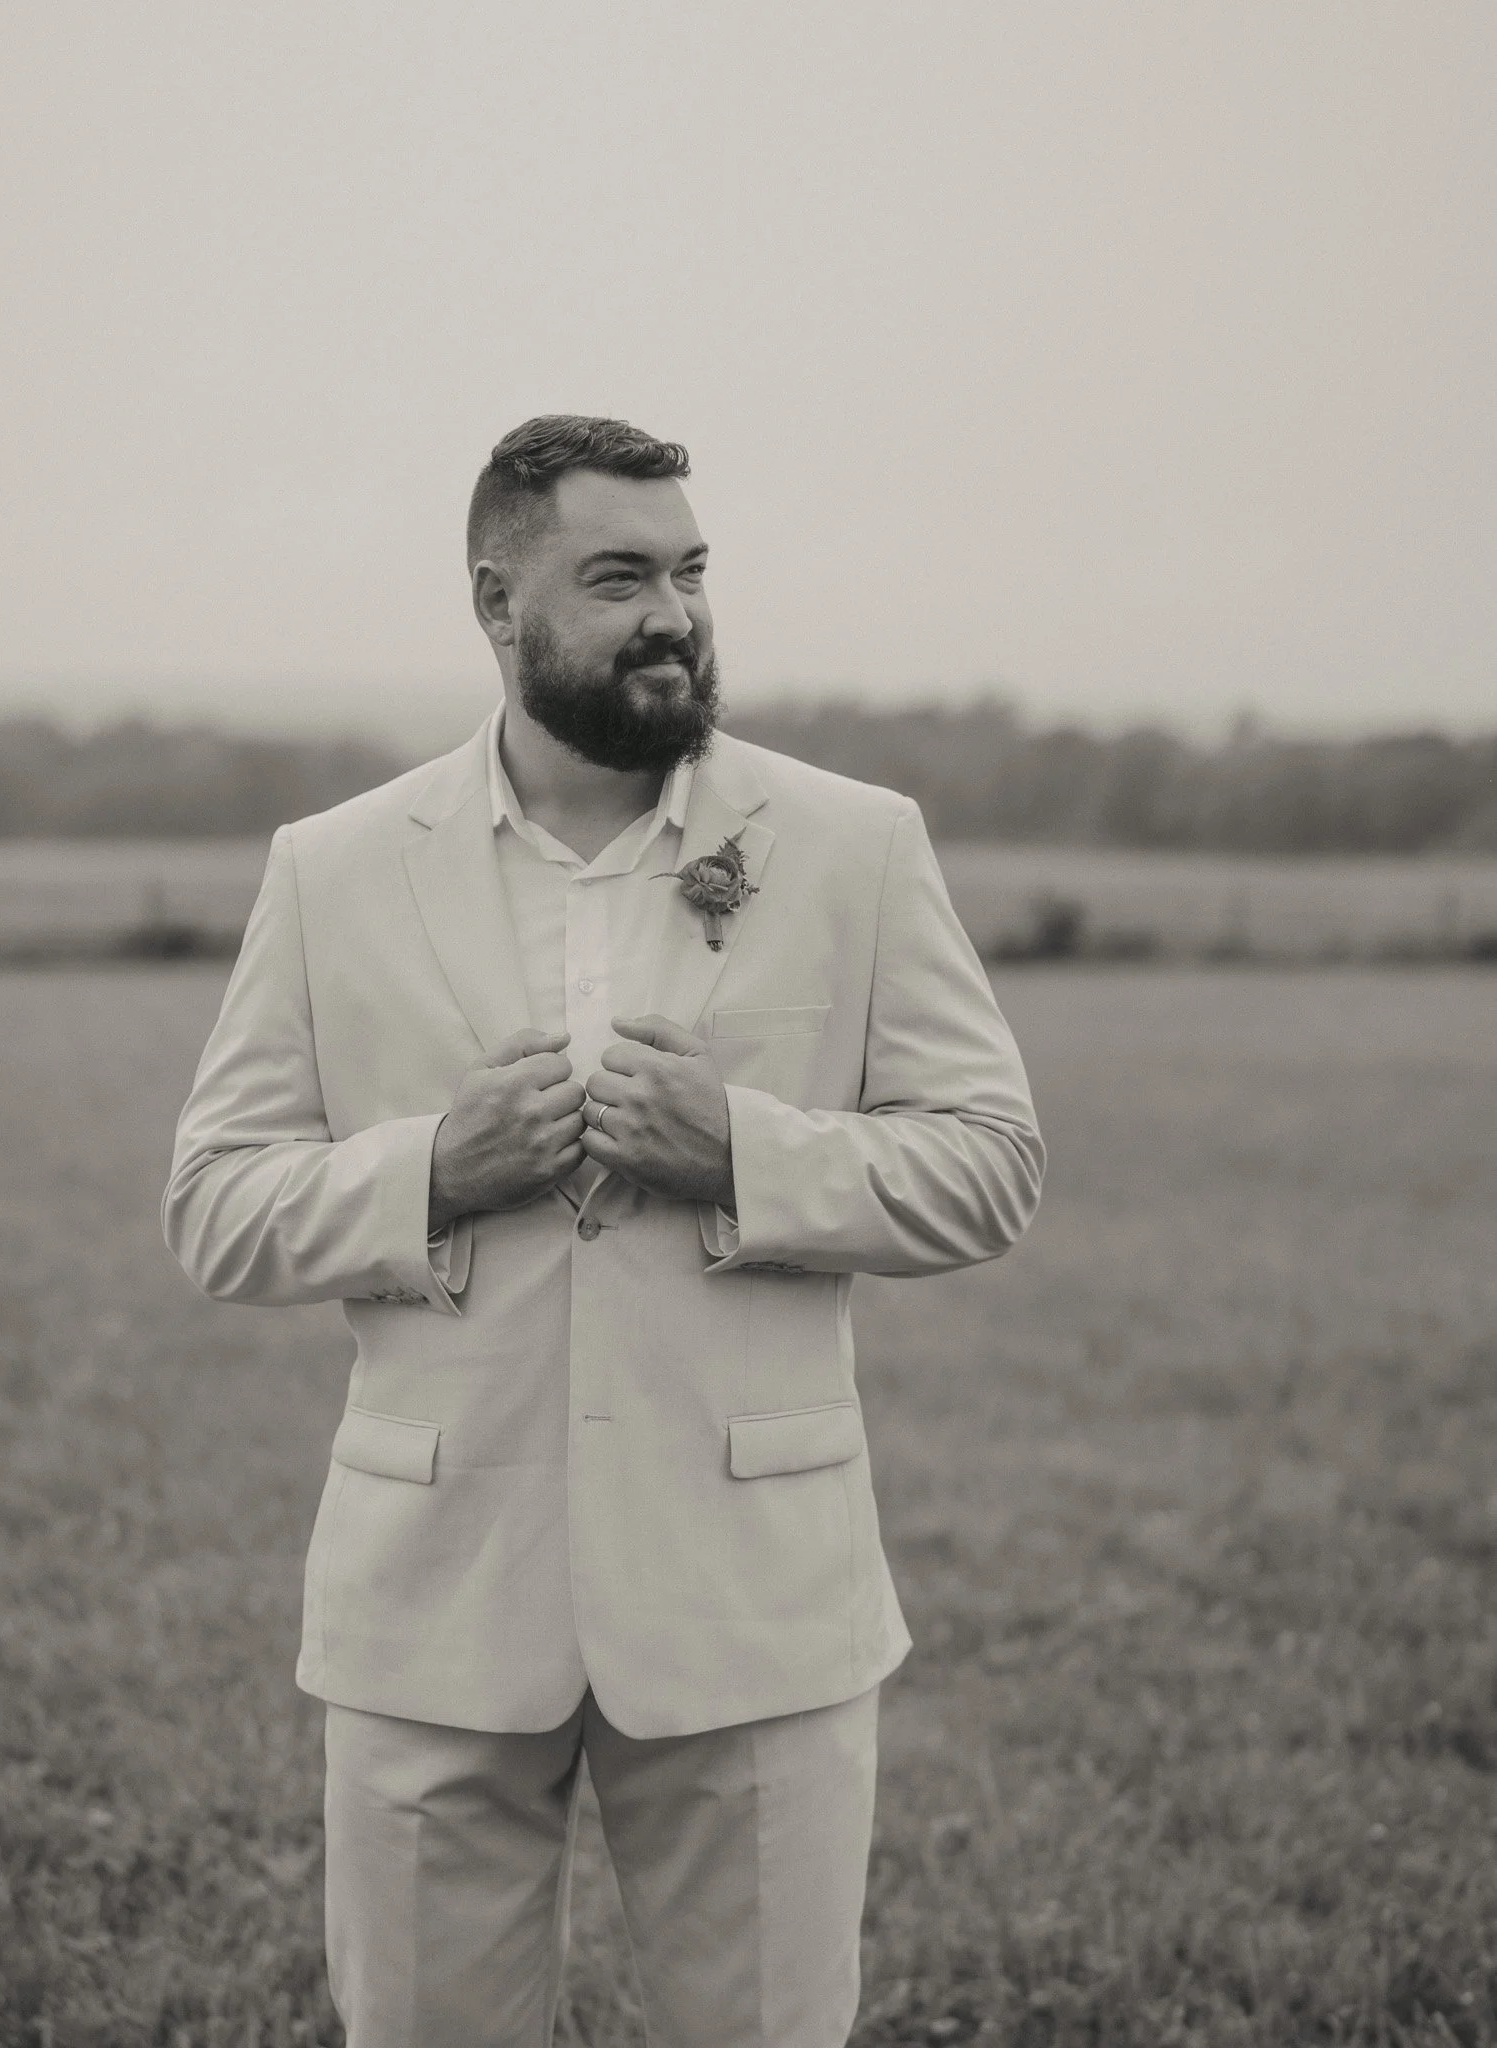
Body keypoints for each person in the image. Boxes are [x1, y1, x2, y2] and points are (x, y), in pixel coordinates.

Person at [162, 414, 1043, 2047]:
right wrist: (437, 1169)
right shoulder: (333, 868)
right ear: (497, 603)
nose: (674, 615)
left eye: (691, 572)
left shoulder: (851, 845)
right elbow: (214, 1205)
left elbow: (990, 1165)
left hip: (752, 1607)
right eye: (619, 578)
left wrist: (744, 1155)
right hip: (431, 1605)